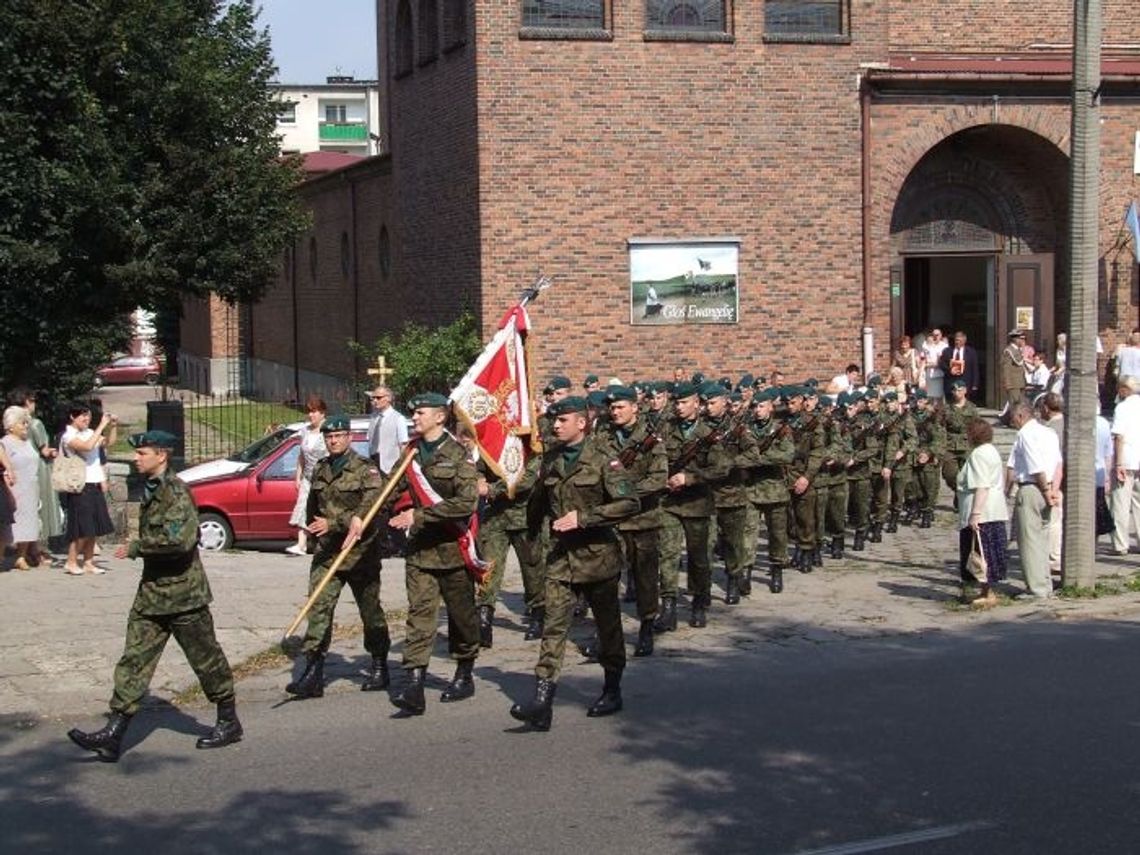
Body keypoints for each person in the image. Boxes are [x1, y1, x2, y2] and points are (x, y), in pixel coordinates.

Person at [67, 431, 241, 762]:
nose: (136, 458)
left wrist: (137, 547)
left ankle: (228, 720)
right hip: (152, 595)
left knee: (206, 660)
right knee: (134, 659)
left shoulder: (176, 492)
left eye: (142, 452)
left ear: (161, 455)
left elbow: (181, 543)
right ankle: (114, 733)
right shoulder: (152, 489)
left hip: (183, 595)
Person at [509, 396, 639, 731]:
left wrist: (585, 518)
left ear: (581, 423)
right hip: (561, 558)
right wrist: (531, 536)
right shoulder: (550, 459)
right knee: (553, 627)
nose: (555, 425)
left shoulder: (604, 459)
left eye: (563, 420)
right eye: (554, 420)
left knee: (608, 627)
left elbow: (628, 503)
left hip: (599, 558)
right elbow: (536, 502)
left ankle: (612, 689)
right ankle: (542, 701)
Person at [386, 393, 482, 716]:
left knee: (462, 616)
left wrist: (419, 516)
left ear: (440, 417)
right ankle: (414, 686)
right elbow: (390, 488)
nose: (414, 417)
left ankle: (464, 672)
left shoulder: (459, 454)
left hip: (453, 549)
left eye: (420, 413)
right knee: (420, 614)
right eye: (413, 413)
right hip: (421, 551)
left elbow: (466, 503)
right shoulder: (411, 452)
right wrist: (361, 515)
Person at [286, 415, 391, 699]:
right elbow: (312, 506)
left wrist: (335, 523)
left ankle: (380, 663)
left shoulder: (365, 470)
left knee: (370, 612)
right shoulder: (321, 468)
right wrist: (314, 532)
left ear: (349, 438)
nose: (333, 441)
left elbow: (371, 508)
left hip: (360, 553)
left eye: (339, 436)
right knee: (318, 608)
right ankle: (313, 672)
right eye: (329, 437)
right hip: (328, 552)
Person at [594, 386, 667, 655]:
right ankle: (606, 634)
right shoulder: (602, 437)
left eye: (620, 407)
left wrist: (625, 493)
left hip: (642, 519)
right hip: (611, 520)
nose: (615, 412)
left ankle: (647, 625)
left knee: (645, 577)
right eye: (612, 408)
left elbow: (658, 478)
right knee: (607, 578)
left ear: (635, 407)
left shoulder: (651, 440)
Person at [1005, 403, 1062, 599]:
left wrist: (1046, 491)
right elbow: (1058, 463)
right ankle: (1045, 584)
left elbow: (1035, 465)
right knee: (1043, 540)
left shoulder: (1025, 434)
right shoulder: (1049, 433)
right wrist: (1054, 490)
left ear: (1021, 416)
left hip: (1032, 487)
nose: (1012, 422)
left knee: (1029, 541)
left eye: (1012, 418)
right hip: (1050, 486)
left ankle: (1036, 588)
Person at [956, 418, 1009, 605]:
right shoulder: (991, 450)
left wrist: (975, 514)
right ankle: (986, 591)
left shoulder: (979, 454)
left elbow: (982, 485)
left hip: (984, 512)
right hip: (993, 509)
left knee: (980, 552)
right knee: (987, 551)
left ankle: (987, 593)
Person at [60, 403, 116, 575]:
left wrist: (113, 426)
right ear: (72, 416)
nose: (86, 419)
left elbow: (108, 443)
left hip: (94, 484)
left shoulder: (90, 433)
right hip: (79, 485)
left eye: (88, 416)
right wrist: (101, 425)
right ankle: (71, 561)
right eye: (82, 416)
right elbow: (86, 447)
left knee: (94, 526)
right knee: (81, 527)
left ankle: (89, 562)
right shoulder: (68, 436)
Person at [11, 388, 62, 558]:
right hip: (39, 468)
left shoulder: (11, 423)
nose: (34, 404)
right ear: (26, 402)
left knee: (27, 508)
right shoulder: (35, 424)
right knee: (41, 508)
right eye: (32, 400)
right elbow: (45, 451)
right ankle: (34, 550)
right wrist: (56, 453)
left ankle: (28, 549)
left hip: (19, 467)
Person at [286, 396, 328, 556]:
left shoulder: (328, 430)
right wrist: (298, 476)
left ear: (323, 413)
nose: (311, 415)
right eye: (309, 412)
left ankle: (321, 542)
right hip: (308, 477)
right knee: (303, 506)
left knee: (322, 509)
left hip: (324, 477)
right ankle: (301, 544)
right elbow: (301, 456)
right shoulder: (305, 431)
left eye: (315, 411)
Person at [2, 407, 41, 570]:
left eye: (26, 422)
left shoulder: (28, 442)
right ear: (11, 426)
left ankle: (21, 556)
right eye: (22, 423)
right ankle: (2, 555)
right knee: (9, 525)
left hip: (30, 485)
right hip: (14, 487)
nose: (26, 426)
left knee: (29, 522)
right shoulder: (5, 443)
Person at [1110, 375, 1140, 555]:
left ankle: (1121, 543)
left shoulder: (1122, 408)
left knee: (1121, 502)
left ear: (1123, 389)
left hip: (1127, 458)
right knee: (1138, 502)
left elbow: (1119, 436)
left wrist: (1118, 462)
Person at [366, 385, 408, 476]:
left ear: (388, 398)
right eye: (373, 398)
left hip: (390, 467)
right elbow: (369, 442)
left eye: (378, 398)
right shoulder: (373, 417)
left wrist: (400, 468)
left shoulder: (398, 418)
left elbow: (403, 446)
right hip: (374, 465)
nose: (375, 401)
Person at [939, 331, 980, 400]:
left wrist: (975, 384)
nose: (957, 342)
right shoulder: (947, 351)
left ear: (964, 340)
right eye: (956, 340)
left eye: (960, 340)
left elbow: (975, 369)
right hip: (950, 383)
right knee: (950, 405)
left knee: (963, 405)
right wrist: (950, 370)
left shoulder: (971, 352)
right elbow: (941, 364)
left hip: (965, 382)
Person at [1000, 330, 1027, 421]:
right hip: (1013, 383)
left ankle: (1017, 419)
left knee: (1020, 403)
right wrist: (1007, 383)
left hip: (1020, 382)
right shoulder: (1009, 351)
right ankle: (1013, 421)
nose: (1023, 341)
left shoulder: (1018, 350)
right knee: (1014, 404)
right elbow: (1006, 369)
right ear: (1015, 339)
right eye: (1021, 339)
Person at [921, 328, 949, 399]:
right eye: (933, 335)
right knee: (928, 396)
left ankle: (938, 410)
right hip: (928, 374)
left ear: (941, 336)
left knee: (938, 397)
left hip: (939, 374)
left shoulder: (944, 346)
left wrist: (930, 364)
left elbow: (943, 362)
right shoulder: (926, 345)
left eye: (937, 335)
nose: (935, 337)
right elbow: (922, 358)